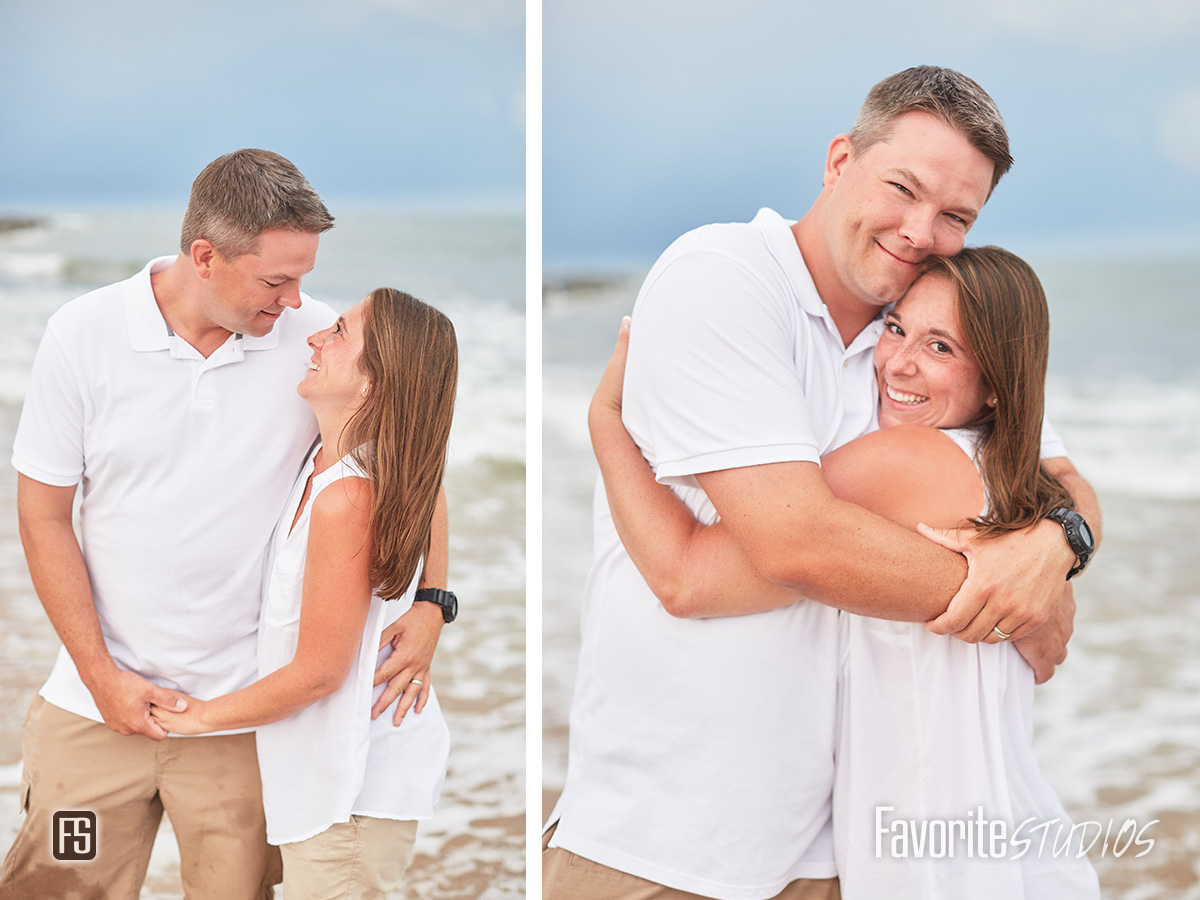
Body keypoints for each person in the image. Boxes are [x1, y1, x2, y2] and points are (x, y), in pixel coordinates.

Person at [543, 66, 1100, 900]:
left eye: (955, 216)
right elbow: (772, 549)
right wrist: (1010, 597)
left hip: (834, 850)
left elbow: (1053, 471)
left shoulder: (907, 321)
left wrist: (1060, 546)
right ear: (841, 160)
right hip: (670, 843)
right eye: (903, 189)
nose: (921, 230)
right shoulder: (723, 277)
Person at [2, 150, 447, 899]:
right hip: (93, 712)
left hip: (243, 728)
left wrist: (434, 601)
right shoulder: (82, 334)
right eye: (276, 280)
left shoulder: (312, 343)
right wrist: (103, 677)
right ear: (204, 257)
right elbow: (42, 514)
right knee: (53, 887)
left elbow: (413, 461)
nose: (295, 301)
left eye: (303, 276)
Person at [151, 288, 458, 899]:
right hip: (330, 777)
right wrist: (433, 601)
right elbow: (432, 480)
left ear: (374, 383)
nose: (315, 338)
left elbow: (320, 673)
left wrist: (198, 718)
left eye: (339, 333)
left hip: (351, 788)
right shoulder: (331, 460)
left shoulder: (349, 497)